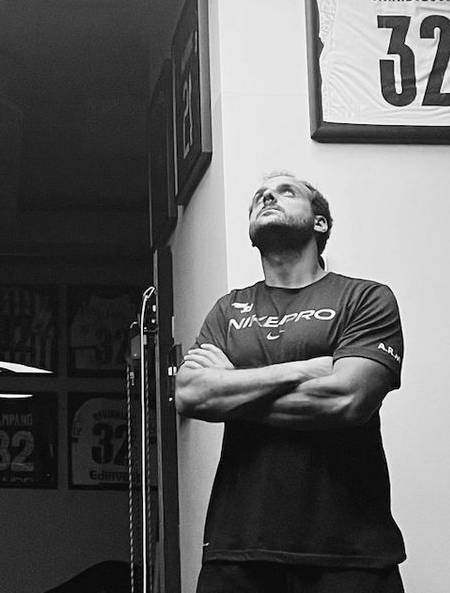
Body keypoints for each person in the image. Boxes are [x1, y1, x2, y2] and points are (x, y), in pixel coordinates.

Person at [174, 170, 406, 593]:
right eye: (259, 196)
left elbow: (346, 399)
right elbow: (190, 394)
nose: (268, 197)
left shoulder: (365, 299)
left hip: (350, 552)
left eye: (286, 192)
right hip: (237, 551)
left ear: (320, 222)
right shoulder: (229, 310)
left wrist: (231, 387)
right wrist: (302, 369)